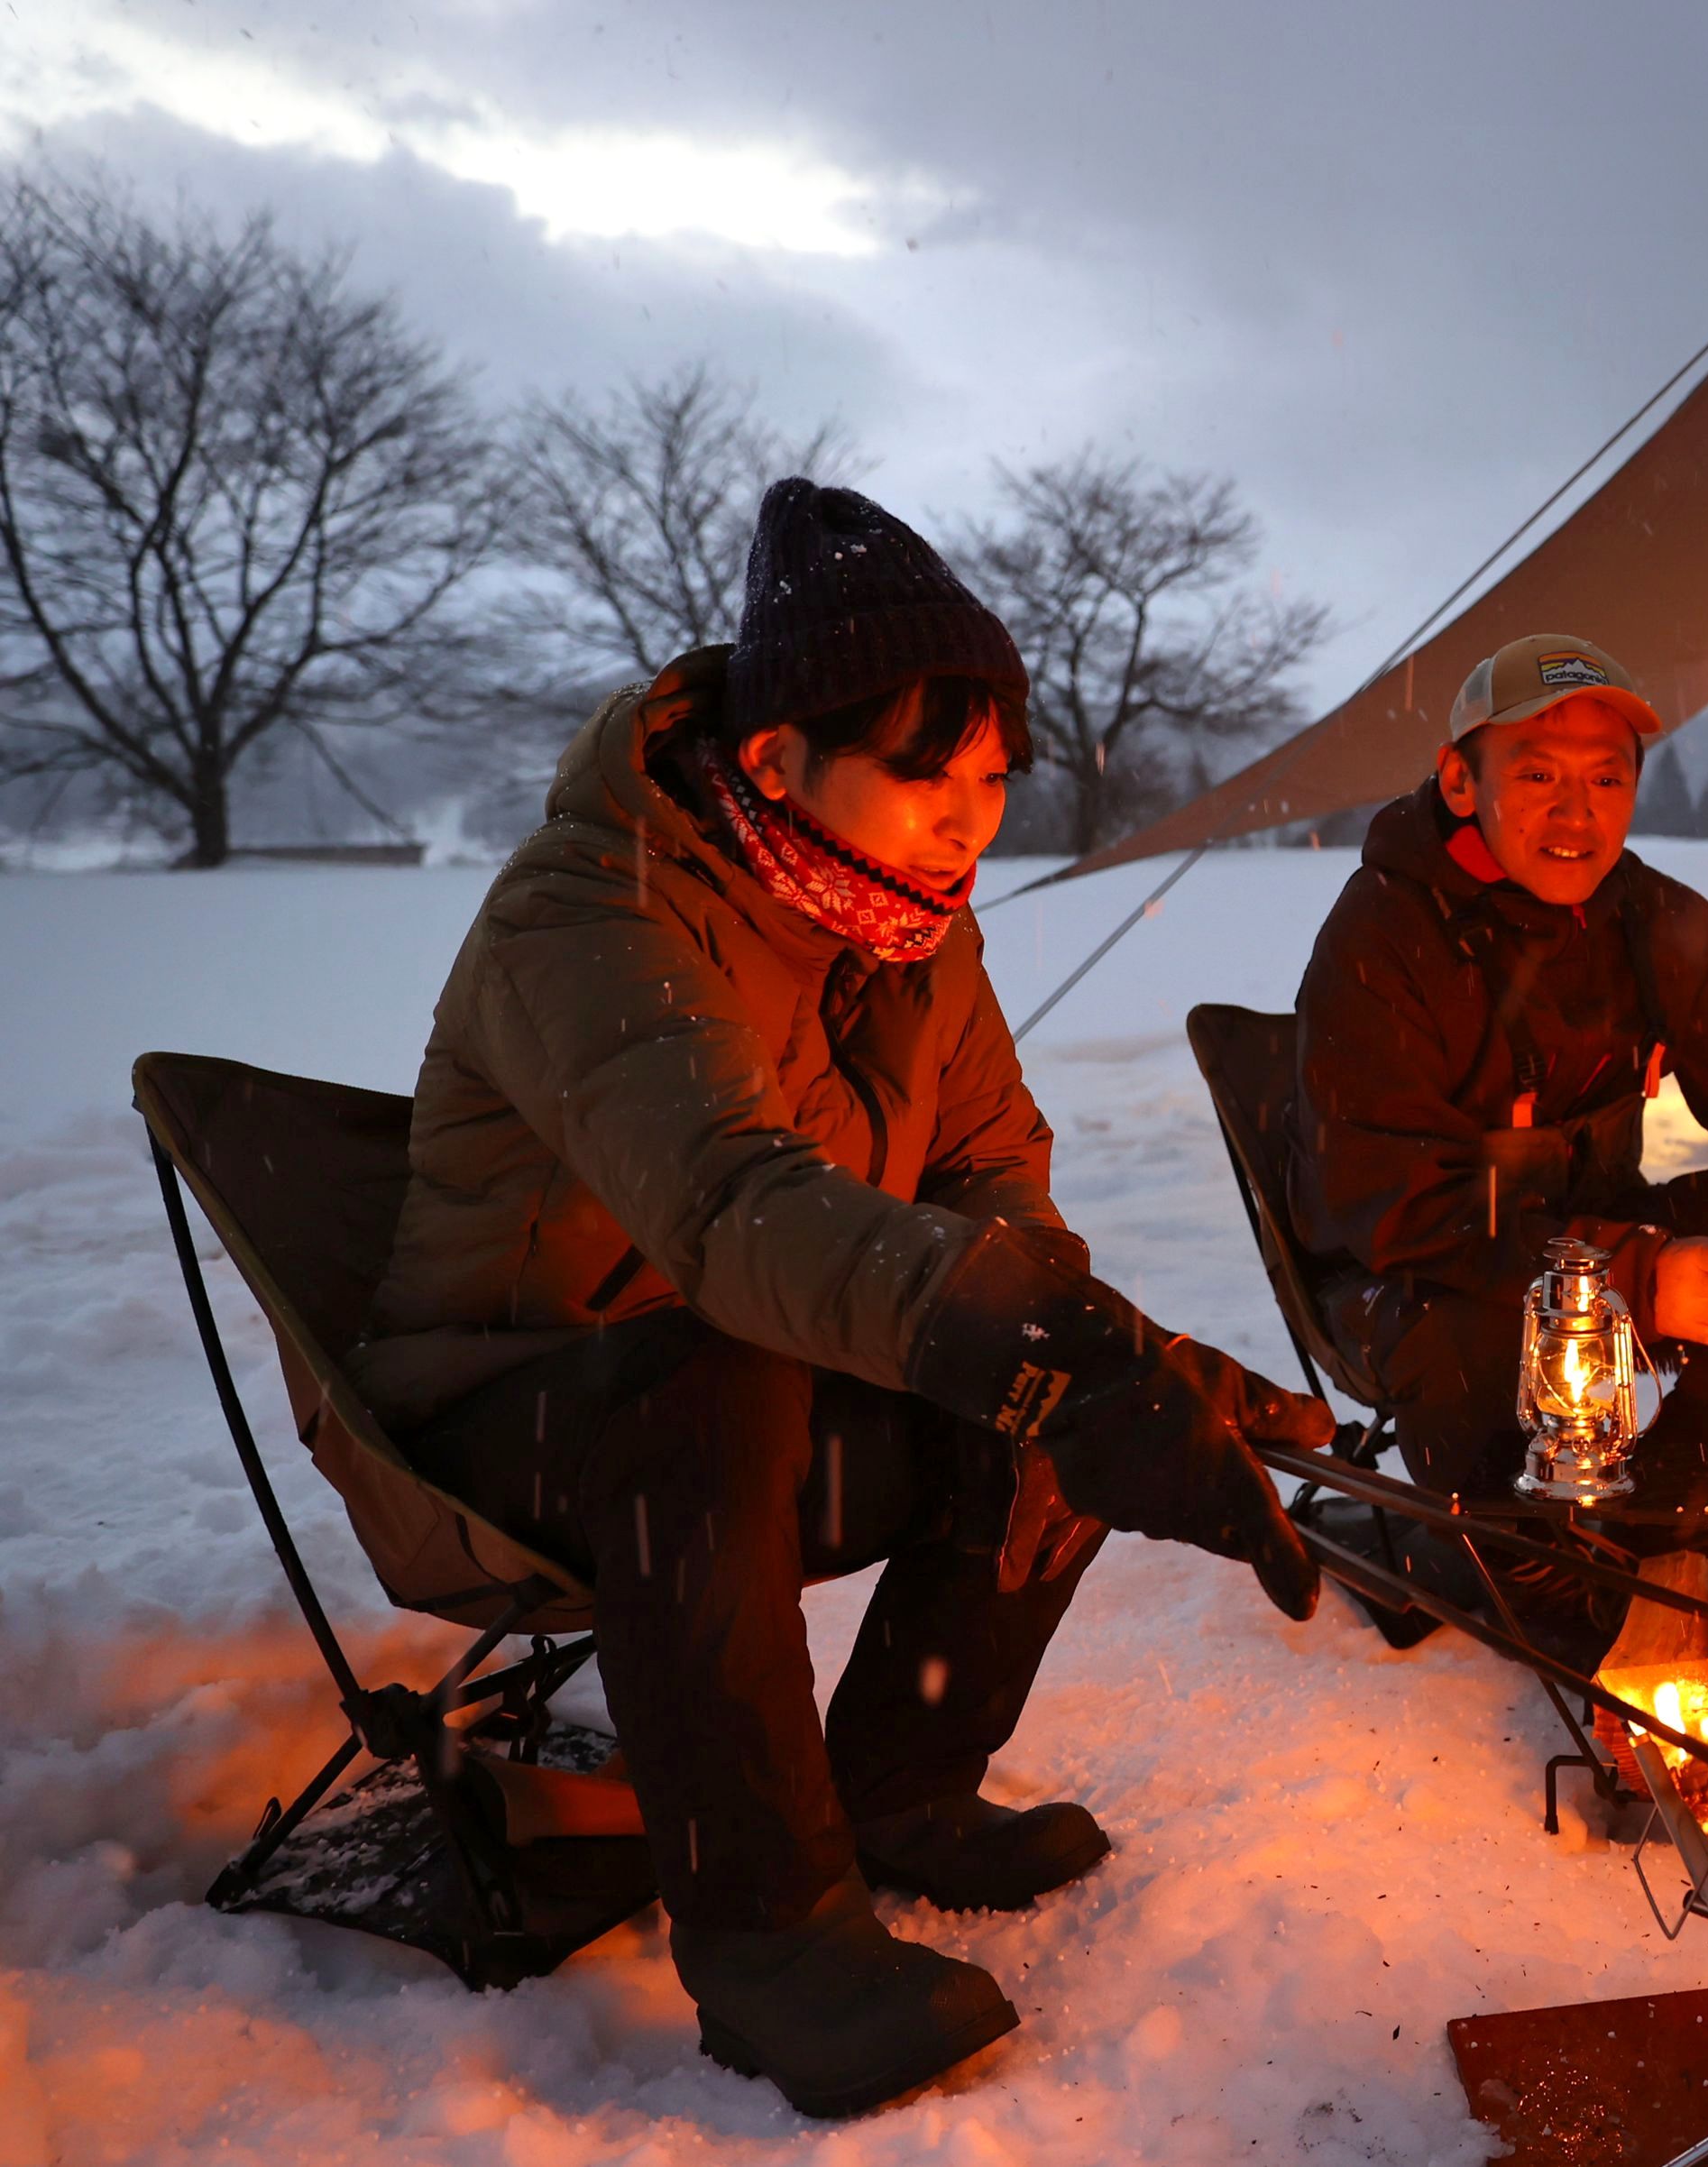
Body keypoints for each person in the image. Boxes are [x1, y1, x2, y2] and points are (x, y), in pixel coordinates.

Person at [354, 480, 1334, 2119]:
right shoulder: (592, 911)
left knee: (1026, 1355)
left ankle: (898, 1786)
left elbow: (992, 1178)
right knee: (771, 1364)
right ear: (772, 759)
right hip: (500, 1413)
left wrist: (1091, 1368)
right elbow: (732, 1206)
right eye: (921, 772)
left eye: (994, 778)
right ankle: (772, 1939)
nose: (970, 820)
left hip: (727, 1382)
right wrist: (1034, 1350)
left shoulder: (911, 933)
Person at [1288, 633, 1708, 1556]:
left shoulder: (1652, 920)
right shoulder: (1383, 939)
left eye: (1606, 780)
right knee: (1458, 1329)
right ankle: (1532, 1553)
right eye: (1536, 777)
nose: (1577, 813)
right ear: (1458, 783)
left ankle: (1677, 1490)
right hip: (1410, 1283)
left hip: (1594, 1230)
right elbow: (1403, 1212)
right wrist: (1628, 1282)